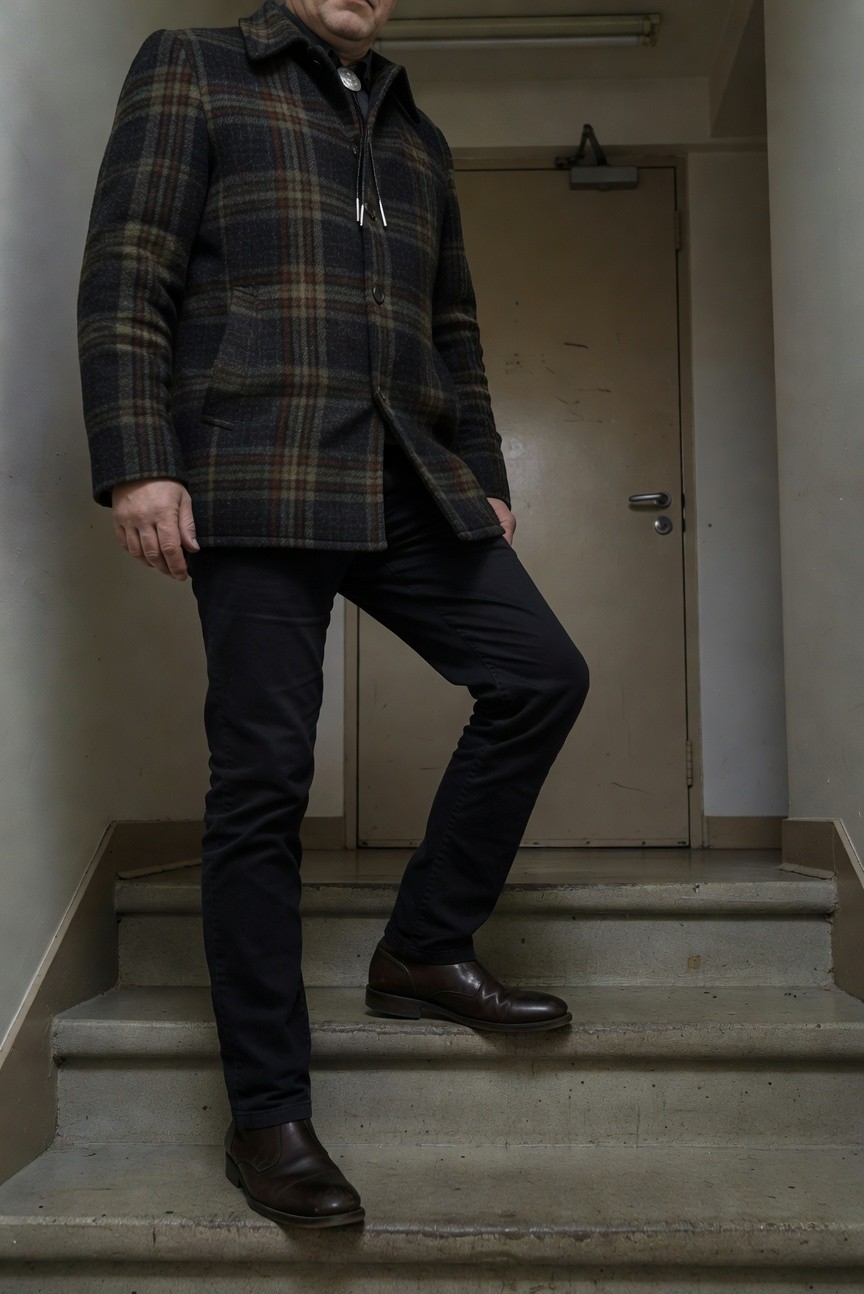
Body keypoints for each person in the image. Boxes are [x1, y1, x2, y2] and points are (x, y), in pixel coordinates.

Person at [77, 0, 590, 1230]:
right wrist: (139, 460)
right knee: (262, 780)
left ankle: (422, 946)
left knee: (539, 675)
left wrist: (486, 475)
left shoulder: (416, 133)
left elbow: (452, 325)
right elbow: (126, 270)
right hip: (253, 469)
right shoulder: (194, 66)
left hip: (408, 471)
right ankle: (268, 1115)